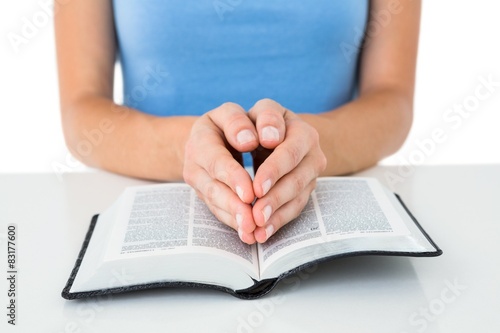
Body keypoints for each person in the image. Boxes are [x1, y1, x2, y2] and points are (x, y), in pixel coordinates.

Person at [55, 0, 421, 244]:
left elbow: (392, 99)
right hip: (157, 213)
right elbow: (82, 112)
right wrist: (193, 151)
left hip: (330, 207)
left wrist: (306, 150)